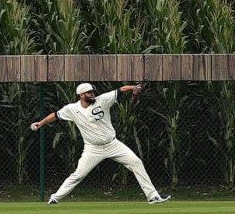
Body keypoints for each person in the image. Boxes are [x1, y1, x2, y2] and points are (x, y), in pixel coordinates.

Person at [30, 82, 171, 205]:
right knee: (78, 175)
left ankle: (153, 196)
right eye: (89, 92)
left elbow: (120, 90)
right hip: (93, 149)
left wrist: (134, 87)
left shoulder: (102, 100)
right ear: (81, 95)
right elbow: (55, 115)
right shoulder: (72, 109)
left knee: (136, 162)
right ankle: (55, 198)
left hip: (113, 144)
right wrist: (40, 123)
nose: (92, 94)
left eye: (92, 92)